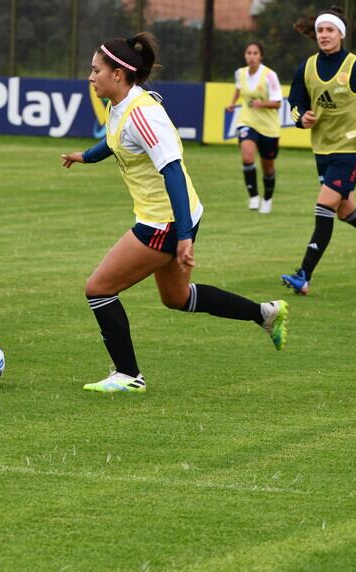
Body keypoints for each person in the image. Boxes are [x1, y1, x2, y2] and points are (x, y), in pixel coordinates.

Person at [60, 32, 288, 394]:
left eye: (95, 70)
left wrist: (183, 236)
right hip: (169, 218)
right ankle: (264, 313)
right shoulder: (120, 106)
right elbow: (115, 140)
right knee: (177, 298)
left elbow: (173, 171)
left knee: (99, 288)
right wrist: (85, 156)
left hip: (164, 221)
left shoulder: (144, 114)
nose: (91, 77)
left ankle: (128, 375)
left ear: (118, 74)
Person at [280, 6, 356, 296]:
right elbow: (295, 101)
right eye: (320, 30)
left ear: (341, 34)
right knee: (347, 211)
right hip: (322, 149)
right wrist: (302, 117)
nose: (324, 35)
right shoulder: (306, 67)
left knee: (324, 206)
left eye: (329, 30)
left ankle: (303, 274)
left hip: (351, 149)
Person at [227, 42, 283, 214]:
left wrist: (261, 103)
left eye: (255, 53)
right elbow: (238, 89)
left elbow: (278, 103)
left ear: (261, 56)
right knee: (248, 156)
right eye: (248, 53)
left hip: (269, 127)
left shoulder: (270, 76)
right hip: (247, 121)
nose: (251, 56)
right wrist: (232, 102)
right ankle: (253, 196)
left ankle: (267, 198)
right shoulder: (240, 73)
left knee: (268, 167)